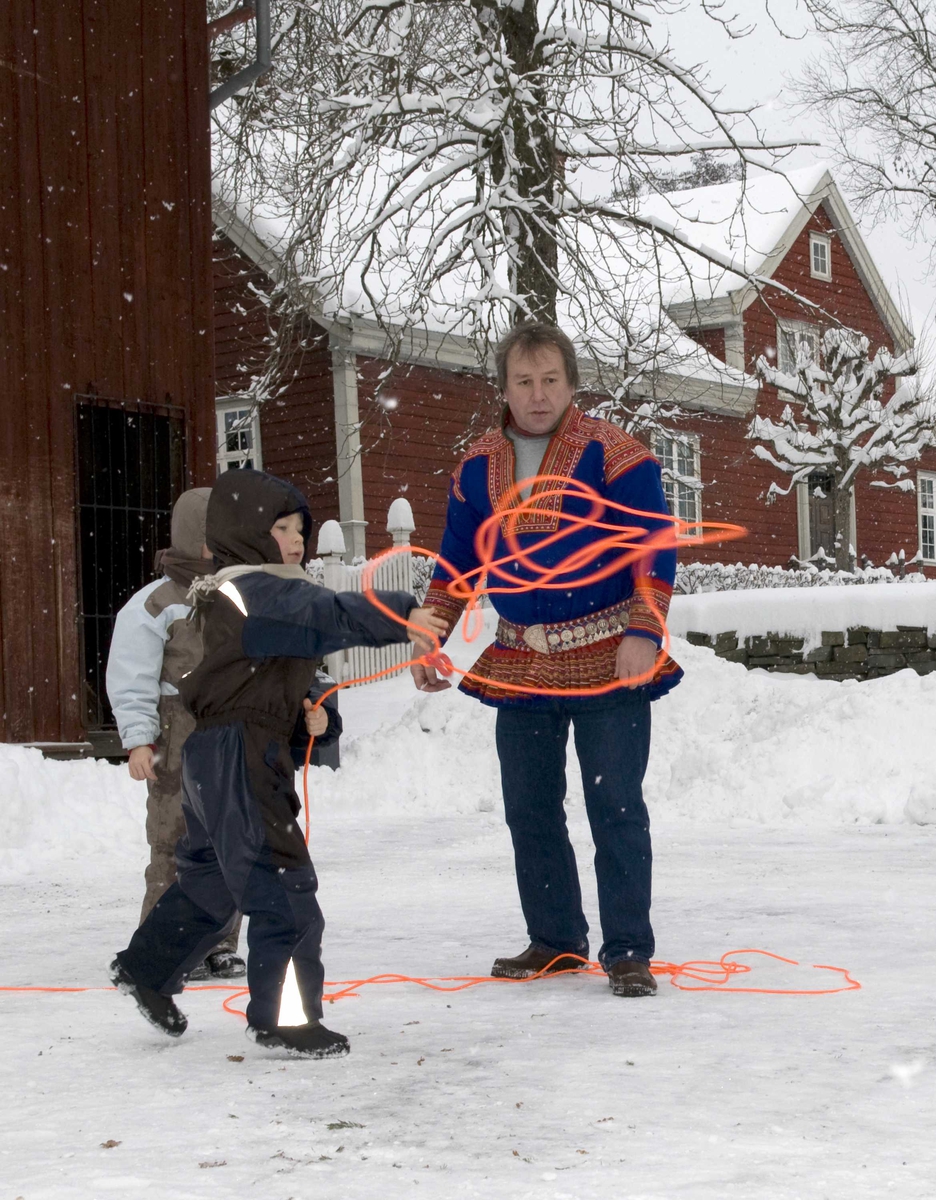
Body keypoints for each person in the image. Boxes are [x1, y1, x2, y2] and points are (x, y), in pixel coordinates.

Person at [110, 468, 446, 1057]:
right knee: (284, 886)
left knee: (210, 882)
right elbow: (328, 614)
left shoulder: (238, 593)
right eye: (283, 528)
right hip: (239, 760)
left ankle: (146, 968)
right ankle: (284, 1018)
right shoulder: (257, 591)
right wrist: (402, 615)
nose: (296, 539)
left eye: (300, 529)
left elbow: (273, 677)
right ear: (246, 534)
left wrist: (312, 717)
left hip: (214, 757)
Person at [413, 323, 682, 997]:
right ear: (503, 387)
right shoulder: (476, 466)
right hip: (518, 661)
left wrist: (645, 629)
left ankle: (627, 951)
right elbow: (455, 563)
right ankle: (557, 941)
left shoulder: (618, 456)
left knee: (615, 806)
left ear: (571, 383)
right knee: (528, 806)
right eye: (524, 382)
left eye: (550, 381)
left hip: (608, 653)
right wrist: (432, 635)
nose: (537, 395)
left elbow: (654, 545)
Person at [106, 487, 245, 980]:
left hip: (228, 730)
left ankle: (220, 940)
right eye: (212, 536)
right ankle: (161, 944)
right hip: (176, 735)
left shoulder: (239, 594)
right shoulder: (155, 603)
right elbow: (132, 677)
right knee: (173, 837)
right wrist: (139, 738)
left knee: (229, 837)